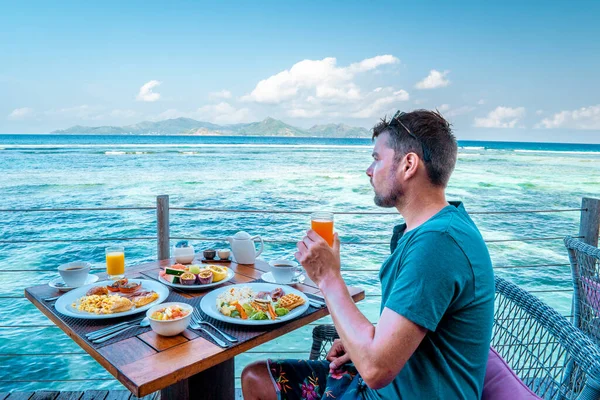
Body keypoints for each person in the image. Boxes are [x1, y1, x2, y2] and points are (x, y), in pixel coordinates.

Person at [242, 110, 495, 399]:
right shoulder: (435, 230)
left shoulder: (438, 244)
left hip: (390, 390)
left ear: (409, 164)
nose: (369, 170)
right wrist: (360, 341)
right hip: (387, 382)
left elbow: (375, 370)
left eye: (376, 158)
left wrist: (327, 277)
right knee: (256, 378)